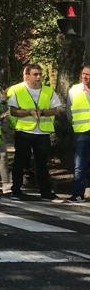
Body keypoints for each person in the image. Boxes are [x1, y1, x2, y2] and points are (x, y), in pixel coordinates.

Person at [8, 62, 62, 200]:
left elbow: (57, 109)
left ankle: (45, 191)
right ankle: (16, 189)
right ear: (27, 76)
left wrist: (43, 112)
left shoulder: (48, 91)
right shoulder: (18, 90)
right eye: (35, 74)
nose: (38, 77)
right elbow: (13, 111)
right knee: (20, 162)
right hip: (24, 131)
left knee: (42, 163)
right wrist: (28, 112)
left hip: (42, 132)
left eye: (40, 74)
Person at [67, 65, 90, 202]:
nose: (85, 77)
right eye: (83, 74)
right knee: (80, 165)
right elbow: (69, 112)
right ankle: (77, 193)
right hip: (81, 131)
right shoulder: (74, 90)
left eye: (88, 74)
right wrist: (75, 124)